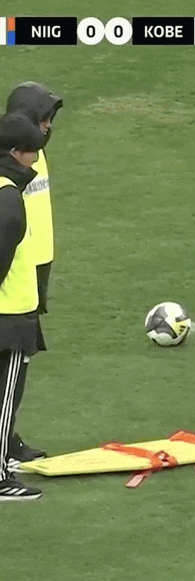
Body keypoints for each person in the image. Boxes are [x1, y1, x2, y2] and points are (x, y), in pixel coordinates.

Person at [2, 81, 62, 467]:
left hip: (32, 272)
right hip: (12, 275)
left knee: (18, 367)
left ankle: (7, 437)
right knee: (10, 367)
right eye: (43, 118)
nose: (48, 127)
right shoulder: (11, 163)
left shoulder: (35, 157)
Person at [0, 112, 47, 500]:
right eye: (31, 151)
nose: (34, 159)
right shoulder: (9, 198)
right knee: (5, 399)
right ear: (16, 152)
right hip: (10, 316)